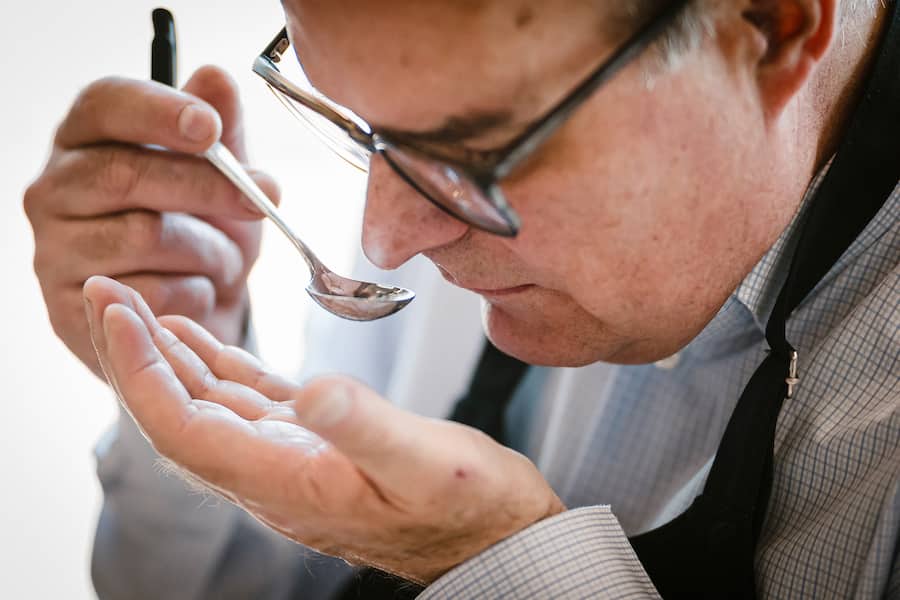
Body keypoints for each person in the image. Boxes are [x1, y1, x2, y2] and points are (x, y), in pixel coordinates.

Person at [24, 0, 898, 598]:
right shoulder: (450, 170)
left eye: (474, 154)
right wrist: (185, 358)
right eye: (364, 127)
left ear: (767, 29)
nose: (385, 240)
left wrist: (494, 563)